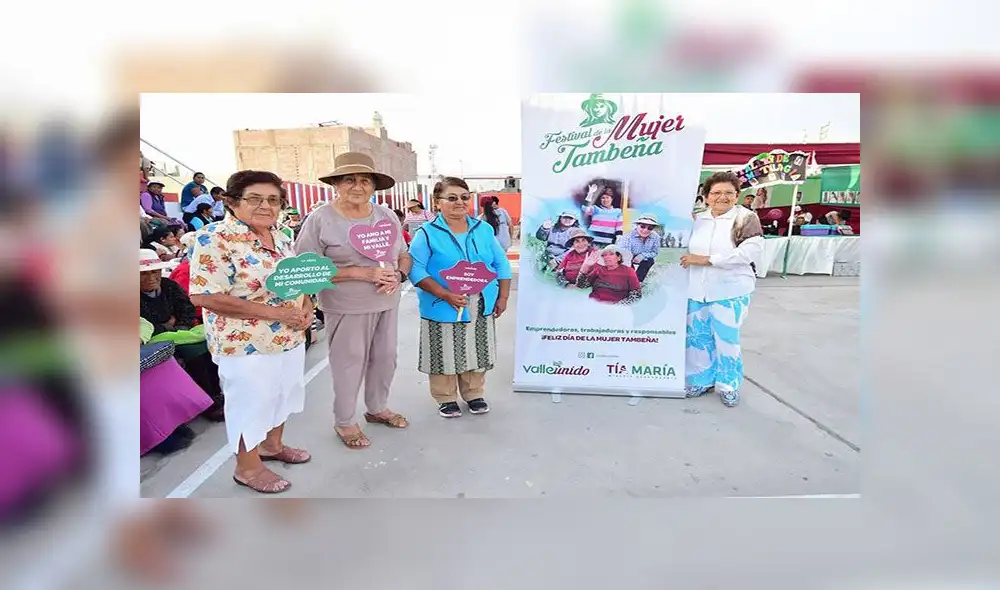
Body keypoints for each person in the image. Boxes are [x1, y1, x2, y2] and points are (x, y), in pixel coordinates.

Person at [188, 170, 313, 494]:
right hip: (244, 344)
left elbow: (297, 278)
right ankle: (247, 467)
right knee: (251, 402)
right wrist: (275, 313)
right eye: (254, 199)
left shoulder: (282, 235)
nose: (265, 206)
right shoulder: (214, 238)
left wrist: (307, 304)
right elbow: (205, 295)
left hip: (288, 337)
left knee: (284, 393)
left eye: (273, 200)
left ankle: (273, 446)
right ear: (232, 202)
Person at [295, 152, 412, 448]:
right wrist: (361, 272)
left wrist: (398, 275)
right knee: (349, 362)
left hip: (387, 302)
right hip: (346, 305)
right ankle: (345, 421)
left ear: (374, 186)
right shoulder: (321, 218)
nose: (358, 186)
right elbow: (304, 267)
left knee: (385, 359)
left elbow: (402, 255)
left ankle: (377, 408)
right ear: (336, 184)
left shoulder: (385, 215)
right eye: (349, 180)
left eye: (364, 180)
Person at [408, 177, 513, 418]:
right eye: (452, 198)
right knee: (443, 349)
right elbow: (416, 268)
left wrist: (503, 296)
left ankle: (474, 393)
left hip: (481, 301)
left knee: (477, 348)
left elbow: (500, 263)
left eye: (464, 197)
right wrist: (445, 293)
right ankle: (445, 397)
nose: (459, 202)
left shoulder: (483, 229)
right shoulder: (427, 233)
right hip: (442, 302)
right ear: (437, 203)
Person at [680, 171, 764, 408]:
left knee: (726, 340)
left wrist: (708, 259)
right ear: (706, 197)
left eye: (729, 192)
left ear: (737, 195)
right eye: (716, 193)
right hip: (697, 290)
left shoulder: (745, 218)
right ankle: (700, 380)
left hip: (731, 290)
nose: (722, 197)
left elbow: (750, 251)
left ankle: (728, 385)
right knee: (698, 338)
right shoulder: (698, 219)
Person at [139, 249, 225, 421]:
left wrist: (180, 326)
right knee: (193, 353)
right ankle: (209, 403)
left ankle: (216, 394)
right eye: (144, 274)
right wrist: (167, 327)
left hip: (182, 331)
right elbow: (143, 324)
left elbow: (186, 308)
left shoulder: (169, 286)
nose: (152, 278)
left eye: (155, 272)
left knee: (207, 347)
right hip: (154, 340)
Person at [576, 244, 642, 304]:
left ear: (619, 257)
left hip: (615, 308)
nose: (606, 257)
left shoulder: (628, 271)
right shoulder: (599, 269)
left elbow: (636, 295)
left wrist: (617, 306)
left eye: (611, 254)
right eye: (604, 255)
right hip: (593, 304)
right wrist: (585, 266)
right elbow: (581, 285)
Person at [618, 214, 662, 282]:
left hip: (644, 258)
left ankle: (638, 281)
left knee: (650, 260)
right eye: (642, 226)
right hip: (627, 257)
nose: (645, 230)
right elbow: (625, 255)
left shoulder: (656, 237)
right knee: (628, 273)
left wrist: (642, 255)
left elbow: (655, 252)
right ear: (637, 225)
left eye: (650, 228)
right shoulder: (628, 236)